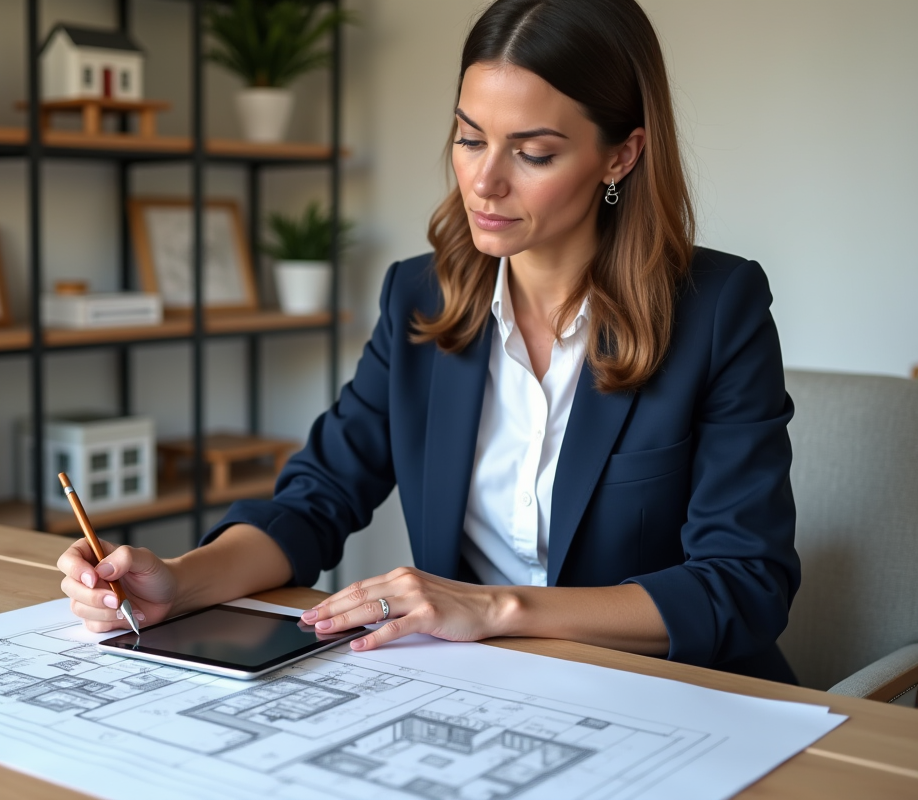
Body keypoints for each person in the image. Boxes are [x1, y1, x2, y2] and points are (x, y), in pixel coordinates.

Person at [57, 0, 800, 683]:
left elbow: (743, 583)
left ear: (621, 156)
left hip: (671, 697)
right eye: (470, 138)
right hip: (468, 692)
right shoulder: (421, 298)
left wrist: (495, 609)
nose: (484, 182)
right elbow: (318, 497)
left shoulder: (717, 310)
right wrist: (179, 582)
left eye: (532, 154)